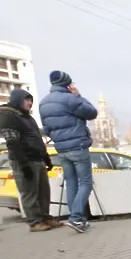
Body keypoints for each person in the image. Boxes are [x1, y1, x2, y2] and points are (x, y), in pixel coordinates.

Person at [39, 71, 98, 233]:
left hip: (61, 149)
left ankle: (77, 219)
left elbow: (47, 129)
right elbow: (92, 113)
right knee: (86, 183)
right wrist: (79, 96)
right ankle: (76, 218)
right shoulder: (71, 99)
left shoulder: (43, 103)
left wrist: (59, 140)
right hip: (78, 146)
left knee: (71, 184)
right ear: (68, 84)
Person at [0, 89, 60, 232]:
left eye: (31, 100)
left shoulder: (28, 118)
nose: (30, 103)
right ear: (18, 100)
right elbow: (13, 143)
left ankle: (45, 217)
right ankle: (34, 222)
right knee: (29, 192)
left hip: (37, 159)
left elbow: (37, 140)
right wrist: (23, 164)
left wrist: (46, 158)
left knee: (43, 191)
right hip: (24, 160)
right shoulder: (9, 116)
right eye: (26, 100)